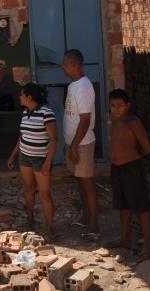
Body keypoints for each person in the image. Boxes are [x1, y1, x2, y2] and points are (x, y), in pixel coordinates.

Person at [106, 89, 150, 262]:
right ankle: (125, 238)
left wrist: (133, 157)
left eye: (120, 106)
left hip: (132, 168)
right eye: (113, 106)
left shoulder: (133, 122)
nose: (116, 109)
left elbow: (147, 148)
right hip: (117, 169)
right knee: (124, 205)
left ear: (128, 105)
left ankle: (148, 245)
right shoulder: (114, 121)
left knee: (140, 206)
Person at [7, 83, 57, 241]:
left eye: (22, 95)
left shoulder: (46, 113)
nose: (20, 97)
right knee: (28, 188)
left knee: (45, 194)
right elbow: (22, 137)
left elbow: (54, 139)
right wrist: (13, 155)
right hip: (25, 157)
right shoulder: (24, 113)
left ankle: (50, 229)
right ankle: (30, 221)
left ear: (29, 97)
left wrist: (48, 163)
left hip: (40, 159)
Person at [62, 49, 99, 235]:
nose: (63, 67)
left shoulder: (83, 87)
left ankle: (94, 223)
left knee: (87, 183)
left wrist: (75, 146)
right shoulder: (73, 86)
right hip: (74, 143)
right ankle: (85, 216)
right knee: (80, 182)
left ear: (75, 65)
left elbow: (85, 120)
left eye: (65, 64)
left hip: (82, 144)